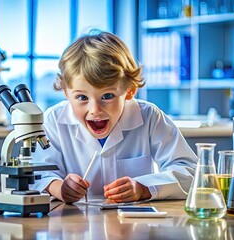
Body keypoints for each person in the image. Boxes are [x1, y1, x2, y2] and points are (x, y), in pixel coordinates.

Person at [31, 29, 197, 203]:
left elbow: (190, 172)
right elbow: (39, 174)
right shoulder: (53, 120)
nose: (95, 110)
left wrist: (144, 188)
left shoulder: (149, 116)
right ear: (66, 93)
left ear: (129, 91)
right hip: (74, 223)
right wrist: (59, 188)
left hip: (132, 225)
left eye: (107, 96)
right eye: (82, 97)